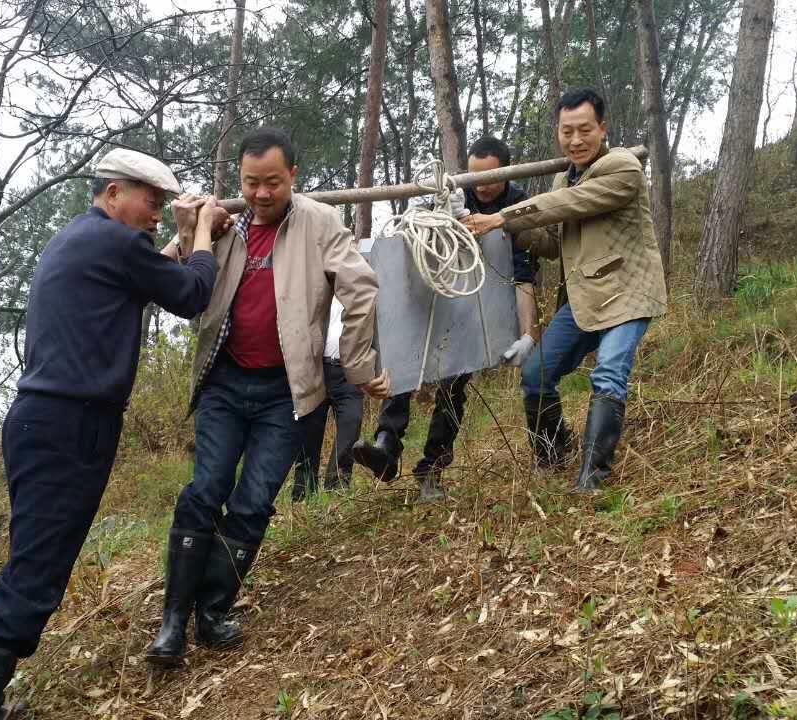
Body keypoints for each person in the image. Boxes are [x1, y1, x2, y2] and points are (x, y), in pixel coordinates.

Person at [0, 149, 224, 720]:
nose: (156, 213)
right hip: (72, 425)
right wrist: (204, 236)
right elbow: (191, 293)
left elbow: (152, 282)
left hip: (42, 420)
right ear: (114, 192)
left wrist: (186, 237)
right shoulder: (114, 243)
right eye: (151, 201)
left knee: (33, 563)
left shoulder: (82, 239)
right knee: (36, 573)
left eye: (165, 204)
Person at [145, 127, 390, 669]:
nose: (259, 194)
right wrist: (191, 233)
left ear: (293, 176)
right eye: (250, 182)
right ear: (240, 178)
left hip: (288, 392)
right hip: (225, 386)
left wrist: (356, 364)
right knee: (204, 490)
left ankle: (211, 612)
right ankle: (171, 624)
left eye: (271, 183)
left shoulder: (321, 223)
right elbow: (182, 294)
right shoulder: (224, 224)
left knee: (253, 502)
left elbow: (362, 289)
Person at [463, 88, 667, 493]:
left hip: (626, 292)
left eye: (584, 130)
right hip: (583, 297)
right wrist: (503, 233)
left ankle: (592, 478)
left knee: (608, 373)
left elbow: (571, 203)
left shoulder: (622, 168)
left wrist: (503, 217)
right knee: (536, 373)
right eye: (567, 131)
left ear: (602, 128)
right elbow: (555, 242)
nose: (575, 140)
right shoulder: (563, 177)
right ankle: (553, 455)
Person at [348, 135, 540, 503]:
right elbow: (411, 243)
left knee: (454, 386)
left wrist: (527, 332)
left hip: (478, 306)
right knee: (404, 364)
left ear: (507, 171)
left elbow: (523, 272)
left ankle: (432, 469)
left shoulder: (517, 203)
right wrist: (435, 213)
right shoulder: (451, 192)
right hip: (432, 295)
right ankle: (386, 445)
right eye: (474, 176)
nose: (482, 185)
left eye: (491, 177)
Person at [290, 296, 366, 500]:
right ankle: (303, 493)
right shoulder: (319, 292)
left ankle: (336, 487)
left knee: (352, 422)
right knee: (309, 433)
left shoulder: (362, 296)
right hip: (317, 371)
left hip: (350, 373)